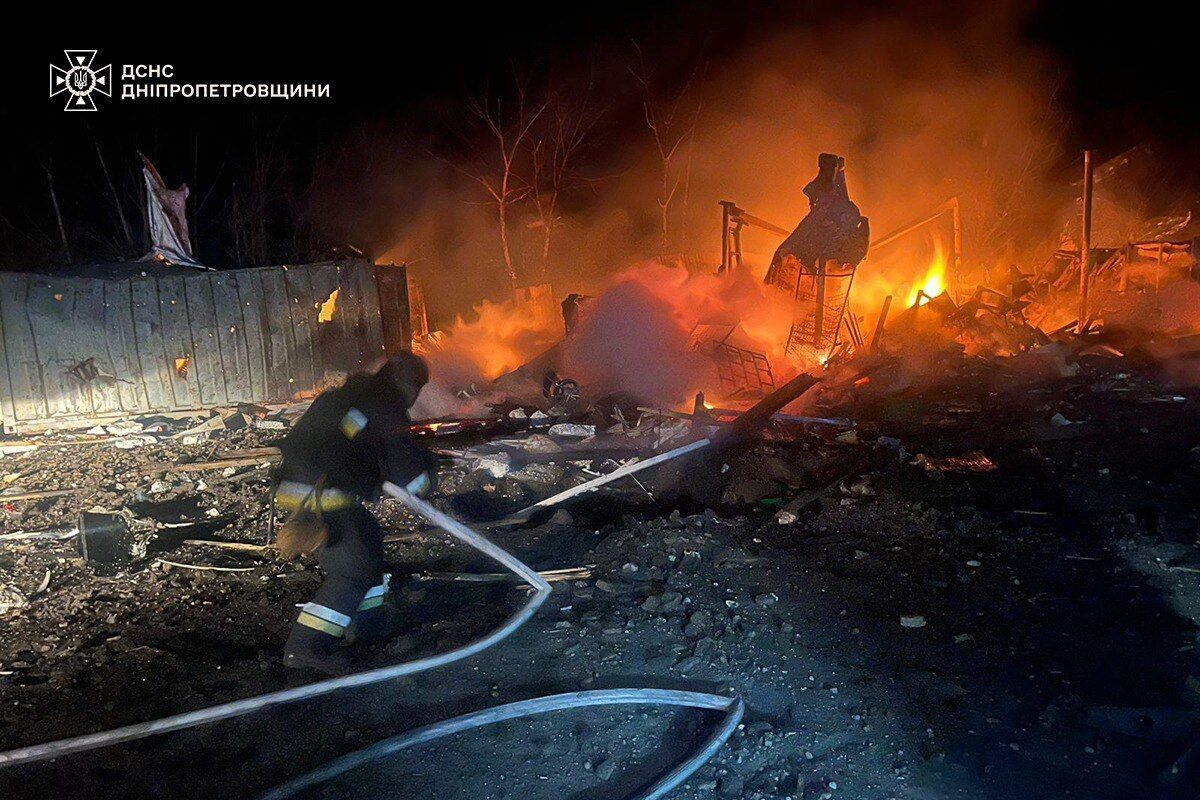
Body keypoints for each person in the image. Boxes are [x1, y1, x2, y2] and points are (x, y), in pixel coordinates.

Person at [273, 353, 436, 675]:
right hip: (321, 492)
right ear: (408, 384)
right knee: (354, 568)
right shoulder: (385, 402)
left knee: (369, 541)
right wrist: (428, 478)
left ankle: (366, 626)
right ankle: (306, 648)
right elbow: (404, 466)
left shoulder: (350, 396)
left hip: (303, 484)